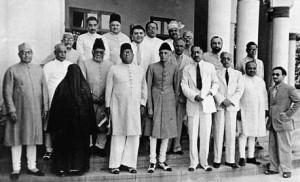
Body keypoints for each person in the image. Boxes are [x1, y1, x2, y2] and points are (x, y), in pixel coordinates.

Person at [2, 43, 48, 180]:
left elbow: (44, 89)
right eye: (23, 52)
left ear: (32, 53)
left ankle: (32, 166)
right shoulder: (12, 70)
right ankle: (16, 169)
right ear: (19, 55)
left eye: (28, 52)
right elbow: (7, 92)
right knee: (16, 139)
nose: (26, 55)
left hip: (34, 112)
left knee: (32, 139)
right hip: (18, 112)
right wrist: (11, 110)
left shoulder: (39, 70)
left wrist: (45, 107)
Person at [47, 64, 97, 176]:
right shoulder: (65, 87)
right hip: (68, 127)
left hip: (77, 127)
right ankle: (68, 168)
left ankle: (72, 168)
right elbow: (56, 108)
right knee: (66, 146)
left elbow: (89, 108)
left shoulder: (78, 87)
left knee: (73, 147)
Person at [105, 43, 147, 174]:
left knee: (134, 135)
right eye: (124, 52)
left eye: (129, 52)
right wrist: (107, 105)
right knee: (118, 134)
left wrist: (143, 103)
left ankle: (130, 164)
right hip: (118, 107)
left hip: (135, 107)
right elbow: (108, 88)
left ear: (133, 55)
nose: (127, 54)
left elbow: (143, 88)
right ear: (120, 55)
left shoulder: (140, 69)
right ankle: (115, 165)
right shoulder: (114, 69)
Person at [181, 45, 218, 172]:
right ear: (191, 54)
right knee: (192, 134)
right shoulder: (187, 68)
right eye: (194, 52)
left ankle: (204, 162)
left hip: (206, 104)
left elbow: (215, 83)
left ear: (202, 53)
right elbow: (184, 86)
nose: (196, 54)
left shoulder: (210, 67)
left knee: (206, 134)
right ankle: (193, 162)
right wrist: (194, 96)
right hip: (193, 104)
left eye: (198, 52)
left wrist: (211, 93)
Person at [145, 43, 179, 173]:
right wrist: (149, 106)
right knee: (153, 132)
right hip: (155, 99)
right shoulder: (152, 67)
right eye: (161, 53)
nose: (163, 55)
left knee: (167, 132)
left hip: (169, 102)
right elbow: (147, 87)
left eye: (166, 53)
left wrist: (174, 105)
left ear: (170, 54)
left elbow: (176, 89)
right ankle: (152, 161)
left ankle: (162, 160)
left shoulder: (174, 68)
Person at [78, 38, 113, 156]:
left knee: (103, 123)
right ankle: (89, 146)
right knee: (88, 122)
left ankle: (100, 146)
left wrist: (105, 97)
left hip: (104, 100)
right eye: (96, 52)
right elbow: (82, 82)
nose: (99, 54)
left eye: (101, 52)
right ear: (92, 52)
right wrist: (89, 96)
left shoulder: (110, 65)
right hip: (89, 100)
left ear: (104, 53)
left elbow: (112, 82)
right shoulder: (85, 63)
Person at [264, 67, 300, 178]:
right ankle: (274, 168)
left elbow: (298, 101)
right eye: (273, 74)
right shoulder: (270, 89)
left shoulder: (289, 88)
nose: (275, 76)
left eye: (277, 74)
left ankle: (287, 169)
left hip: (283, 122)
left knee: (284, 147)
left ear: (283, 76)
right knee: (273, 147)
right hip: (272, 122)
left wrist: (288, 114)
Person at [213, 52, 244, 169]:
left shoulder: (238, 74)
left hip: (231, 106)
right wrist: (221, 100)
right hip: (220, 106)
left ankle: (230, 159)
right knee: (218, 132)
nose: (226, 60)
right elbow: (214, 88)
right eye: (224, 59)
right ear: (221, 60)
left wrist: (230, 101)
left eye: (228, 59)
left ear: (232, 60)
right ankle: (217, 159)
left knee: (231, 133)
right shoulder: (215, 73)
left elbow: (240, 90)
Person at [43, 43, 73, 160]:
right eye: (60, 52)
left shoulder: (70, 65)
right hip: (52, 99)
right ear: (55, 53)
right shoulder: (48, 66)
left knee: (65, 125)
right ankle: (49, 149)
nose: (63, 54)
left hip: (66, 101)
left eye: (65, 52)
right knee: (49, 126)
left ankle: (64, 150)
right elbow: (45, 85)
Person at [238, 61, 268, 166]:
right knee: (243, 133)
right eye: (249, 68)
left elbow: (264, 96)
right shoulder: (241, 79)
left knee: (253, 134)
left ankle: (251, 156)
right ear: (246, 68)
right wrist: (238, 110)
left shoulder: (260, 81)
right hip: (244, 110)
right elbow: (238, 95)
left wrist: (265, 109)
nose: (252, 70)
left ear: (257, 69)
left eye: (254, 68)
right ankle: (242, 156)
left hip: (257, 111)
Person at [169, 38, 193, 155]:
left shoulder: (188, 61)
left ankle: (176, 145)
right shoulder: (168, 57)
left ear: (185, 47)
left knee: (179, 121)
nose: (179, 48)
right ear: (174, 45)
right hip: (169, 94)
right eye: (177, 46)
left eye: (181, 46)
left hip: (182, 95)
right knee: (169, 120)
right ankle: (167, 146)